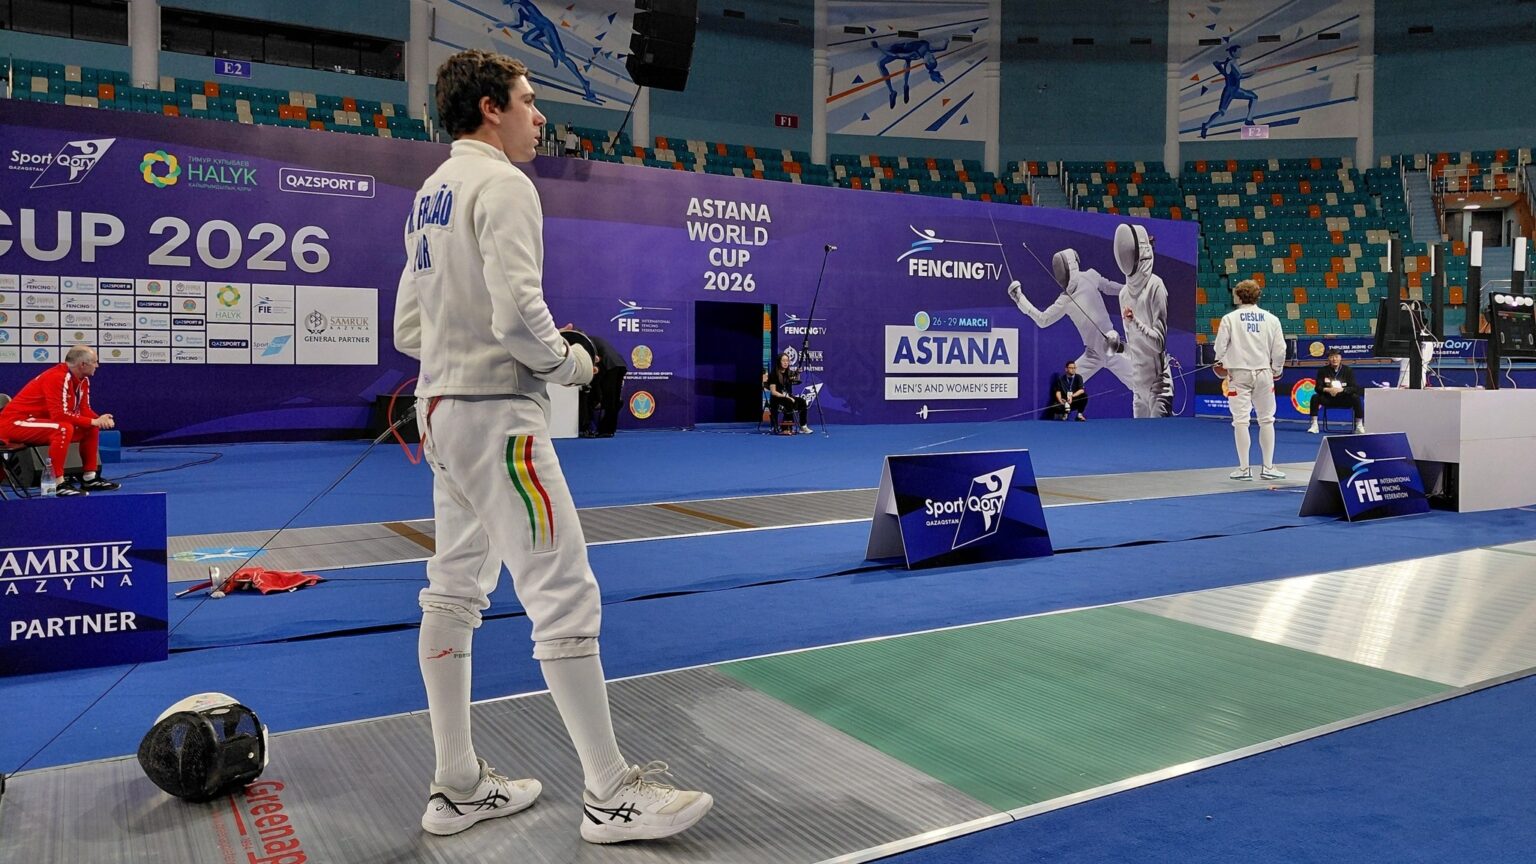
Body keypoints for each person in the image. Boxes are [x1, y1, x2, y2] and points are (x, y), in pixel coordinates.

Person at [393, 49, 711, 843]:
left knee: (454, 591)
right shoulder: (503, 184)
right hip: (500, 423)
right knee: (563, 594)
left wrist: (471, 349)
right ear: (491, 109)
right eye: (530, 101)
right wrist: (571, 362)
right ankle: (610, 796)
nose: (540, 116)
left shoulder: (431, 194)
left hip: (442, 419)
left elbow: (409, 328)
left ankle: (457, 784)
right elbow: (516, 316)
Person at [0, 344, 120, 496]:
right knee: (63, 428)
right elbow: (59, 415)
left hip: (34, 423)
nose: (97, 365)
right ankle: (56, 483)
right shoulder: (57, 377)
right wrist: (93, 421)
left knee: (90, 427)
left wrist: (99, 419)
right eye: (95, 361)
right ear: (82, 364)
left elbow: (83, 410)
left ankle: (90, 478)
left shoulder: (82, 380)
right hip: (14, 423)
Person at [1008, 248, 1132, 393]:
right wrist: (1020, 299)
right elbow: (1043, 320)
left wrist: (1132, 290)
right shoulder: (1064, 300)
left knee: (1142, 385)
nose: (1060, 275)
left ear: (1071, 266)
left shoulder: (1089, 276)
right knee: (1063, 389)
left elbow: (1110, 287)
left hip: (1113, 347)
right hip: (1092, 355)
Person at [1214, 279, 1287, 481]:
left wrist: (1219, 362)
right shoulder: (1271, 319)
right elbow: (1280, 349)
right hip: (1264, 373)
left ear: (1238, 296)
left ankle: (1244, 469)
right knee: (1266, 420)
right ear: (1257, 296)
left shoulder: (1229, 318)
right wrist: (1276, 370)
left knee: (1240, 421)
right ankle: (1268, 467)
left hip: (1238, 374)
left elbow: (1219, 348)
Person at [1103, 224, 1172, 417]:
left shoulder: (1155, 286)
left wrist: (1135, 323)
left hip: (1158, 387)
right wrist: (1119, 348)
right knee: (1139, 445)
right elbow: (1137, 351)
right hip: (1138, 388)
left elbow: (1158, 344)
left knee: (1160, 443)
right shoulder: (1124, 294)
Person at [564, 327, 626, 438]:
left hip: (608, 366)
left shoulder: (585, 344)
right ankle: (608, 430)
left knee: (607, 398)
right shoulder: (593, 340)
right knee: (613, 400)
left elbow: (590, 362)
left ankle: (601, 429)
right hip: (619, 365)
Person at [1200, 43, 1259, 139]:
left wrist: (1219, 66)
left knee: (1254, 97)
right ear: (1233, 52)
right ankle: (1206, 126)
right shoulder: (1231, 63)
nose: (1241, 53)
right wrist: (1252, 73)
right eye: (1238, 51)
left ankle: (1249, 120)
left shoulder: (1231, 62)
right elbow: (1240, 76)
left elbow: (1226, 74)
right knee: (1222, 112)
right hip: (1230, 91)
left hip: (1235, 89)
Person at [1308, 348, 1364, 434]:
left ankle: (1359, 425)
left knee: (1355, 398)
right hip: (1328, 399)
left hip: (1343, 399)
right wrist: (1328, 389)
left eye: (1336, 357)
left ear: (1340, 358)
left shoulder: (1348, 370)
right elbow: (1317, 388)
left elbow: (1354, 388)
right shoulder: (1322, 371)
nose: (1334, 359)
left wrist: (1342, 390)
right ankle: (1314, 425)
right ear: (1328, 359)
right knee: (1315, 397)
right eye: (1332, 357)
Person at [767, 351, 809, 433]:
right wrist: (787, 397)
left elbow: (796, 380)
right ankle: (786, 427)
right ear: (779, 362)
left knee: (802, 402)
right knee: (789, 402)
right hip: (777, 399)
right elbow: (773, 392)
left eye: (787, 361)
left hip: (788, 396)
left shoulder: (789, 373)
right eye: (783, 361)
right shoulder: (773, 374)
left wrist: (798, 373)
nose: (786, 363)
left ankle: (803, 426)